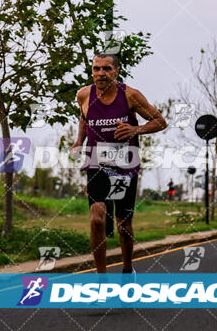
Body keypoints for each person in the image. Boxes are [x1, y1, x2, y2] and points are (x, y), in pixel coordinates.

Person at [71, 52, 167, 274]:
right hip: (96, 162)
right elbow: (84, 119)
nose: (101, 73)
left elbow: (160, 121)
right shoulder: (84, 95)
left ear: (116, 71)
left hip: (125, 164)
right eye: (96, 69)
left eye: (106, 69)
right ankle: (101, 278)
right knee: (96, 219)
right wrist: (78, 140)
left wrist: (136, 129)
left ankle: (127, 269)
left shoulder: (130, 96)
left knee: (123, 224)